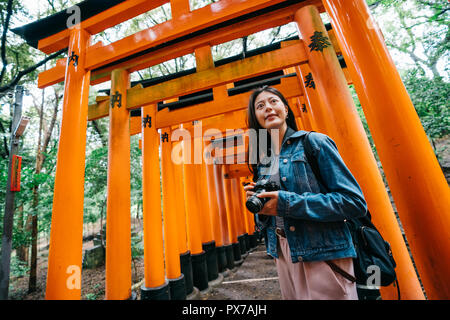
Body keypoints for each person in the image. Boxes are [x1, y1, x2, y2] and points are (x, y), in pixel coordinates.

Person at [244, 86, 367, 300]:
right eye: (260, 106)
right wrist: (263, 209)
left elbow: (354, 202)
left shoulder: (314, 143)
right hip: (282, 251)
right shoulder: (263, 162)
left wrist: (285, 203)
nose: (268, 108)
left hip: (323, 250)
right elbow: (268, 220)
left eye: (273, 101)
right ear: (256, 118)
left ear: (286, 109)